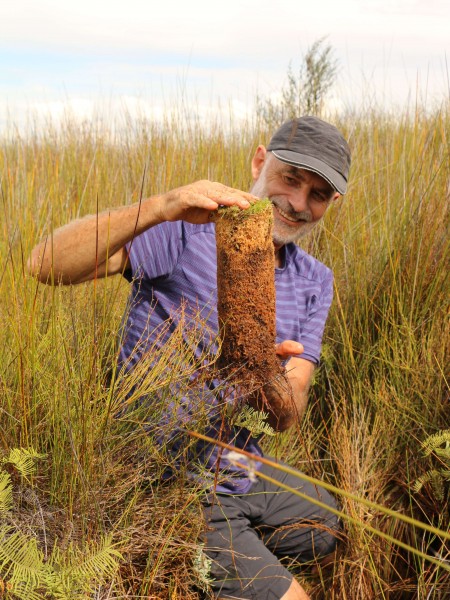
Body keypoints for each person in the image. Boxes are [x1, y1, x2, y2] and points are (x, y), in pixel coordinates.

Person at [28, 116, 351, 600]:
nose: (298, 203)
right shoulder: (185, 232)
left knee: (328, 528)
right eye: (291, 178)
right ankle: (182, 543)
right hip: (164, 471)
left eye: (319, 194)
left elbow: (289, 414)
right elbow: (45, 265)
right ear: (260, 161)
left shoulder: (314, 280)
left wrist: (264, 373)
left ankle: (205, 565)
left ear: (331, 203)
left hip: (240, 466)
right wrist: (162, 206)